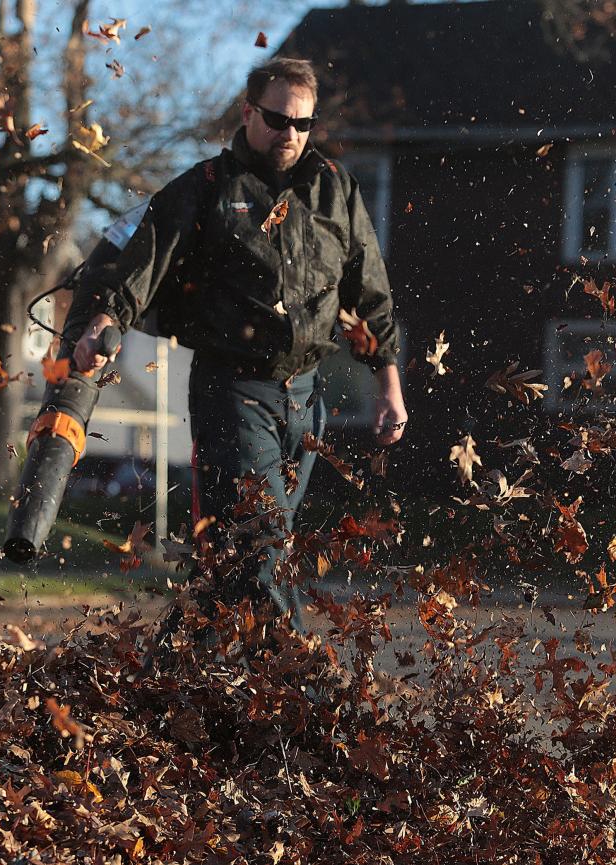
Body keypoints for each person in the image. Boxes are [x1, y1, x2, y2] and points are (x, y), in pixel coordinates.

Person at [72, 57, 406, 634]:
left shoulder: (334, 190)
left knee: (237, 559)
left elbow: (369, 294)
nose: (291, 135)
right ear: (249, 112)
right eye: (278, 120)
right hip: (232, 389)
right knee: (261, 539)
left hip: (304, 396)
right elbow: (140, 266)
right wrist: (106, 323)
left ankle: (187, 679)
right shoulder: (205, 189)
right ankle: (300, 683)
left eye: (303, 124)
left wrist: (388, 387)